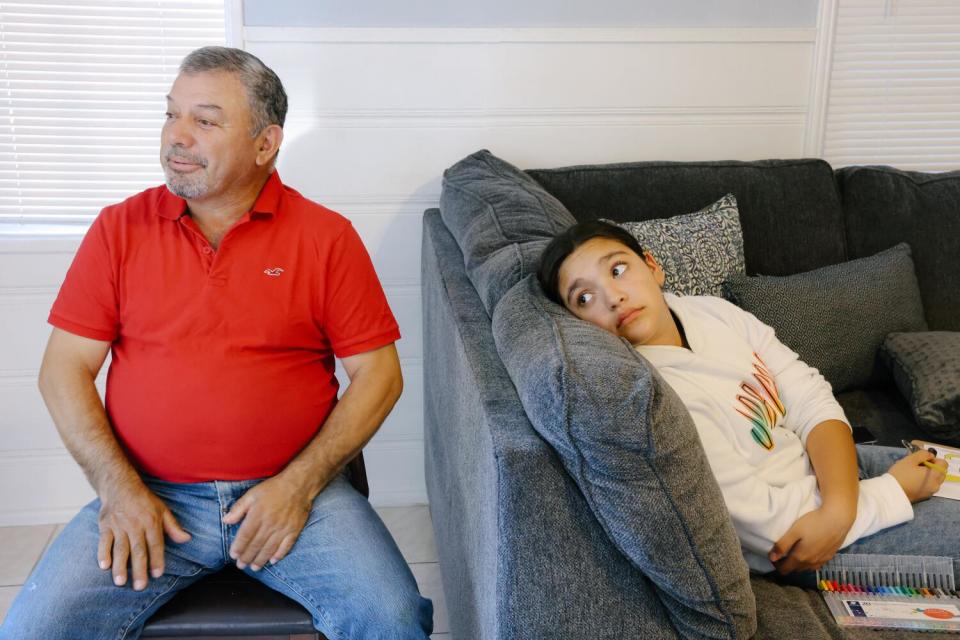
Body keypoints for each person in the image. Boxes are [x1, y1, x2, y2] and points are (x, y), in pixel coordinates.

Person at [2, 47, 432, 639]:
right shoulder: (118, 230)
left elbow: (380, 376)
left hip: (295, 497)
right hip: (151, 497)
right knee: (33, 631)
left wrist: (298, 486)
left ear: (265, 143)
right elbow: (62, 371)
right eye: (171, 114)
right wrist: (119, 491)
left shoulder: (326, 238)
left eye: (204, 120)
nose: (176, 136)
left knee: (391, 617)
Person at [537, 219, 958, 580]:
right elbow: (773, 532)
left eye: (618, 269)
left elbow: (809, 395)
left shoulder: (711, 312)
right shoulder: (653, 398)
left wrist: (841, 504)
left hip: (834, 480)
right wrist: (888, 494)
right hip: (804, 539)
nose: (613, 297)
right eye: (584, 298)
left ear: (652, 266)